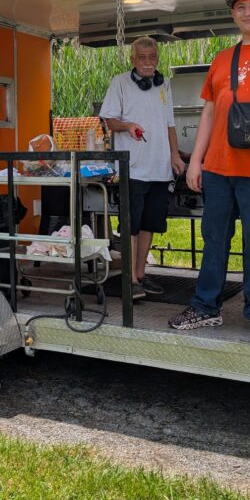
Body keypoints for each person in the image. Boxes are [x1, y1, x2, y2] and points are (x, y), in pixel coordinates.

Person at [169, 0, 250, 341]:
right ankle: (205, 307)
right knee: (214, 238)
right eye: (240, 8)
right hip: (218, 169)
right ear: (233, 15)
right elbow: (209, 112)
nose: (247, 12)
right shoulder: (223, 58)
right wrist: (196, 162)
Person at [100, 36, 186, 301]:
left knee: (149, 223)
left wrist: (174, 155)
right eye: (142, 57)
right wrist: (128, 126)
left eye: (152, 57)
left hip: (159, 167)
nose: (148, 62)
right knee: (132, 226)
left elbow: (170, 124)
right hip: (133, 167)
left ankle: (141, 273)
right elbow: (109, 121)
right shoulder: (120, 82)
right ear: (133, 59)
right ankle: (130, 279)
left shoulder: (164, 84)